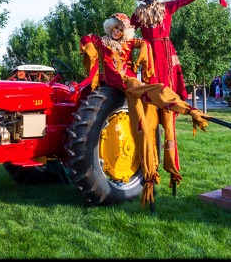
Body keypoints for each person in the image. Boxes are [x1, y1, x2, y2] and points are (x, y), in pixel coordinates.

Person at [79, 13, 210, 207]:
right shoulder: (103, 42)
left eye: (121, 29)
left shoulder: (129, 43)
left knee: (147, 109)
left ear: (125, 32)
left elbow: (144, 43)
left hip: (128, 82)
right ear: (109, 28)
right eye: (114, 28)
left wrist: (145, 51)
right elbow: (86, 38)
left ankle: (182, 110)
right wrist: (89, 48)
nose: (117, 32)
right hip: (109, 82)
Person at [130, 0, 228, 189]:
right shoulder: (137, 14)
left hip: (165, 55)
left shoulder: (167, 7)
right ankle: (149, 166)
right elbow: (125, 31)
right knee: (151, 104)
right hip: (149, 58)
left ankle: (172, 168)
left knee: (169, 107)